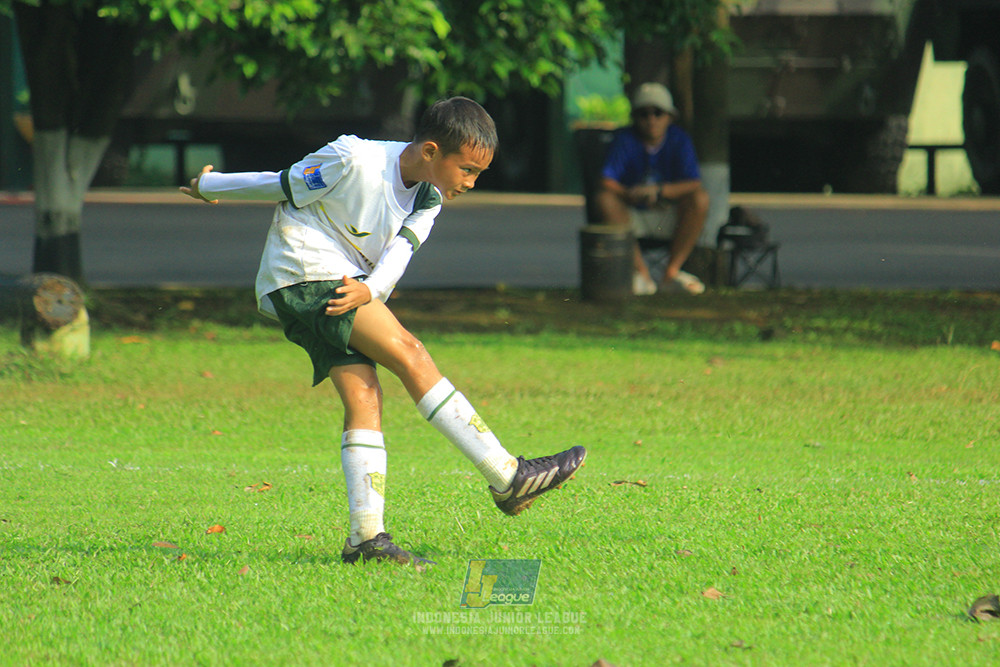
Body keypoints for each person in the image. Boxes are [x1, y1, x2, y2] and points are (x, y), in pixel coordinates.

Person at [180, 97, 587, 567]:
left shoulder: (429, 197)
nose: (472, 183)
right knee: (409, 351)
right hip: (302, 272)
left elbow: (399, 255)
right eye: (468, 170)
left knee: (365, 394)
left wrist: (370, 290)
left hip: (344, 286)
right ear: (432, 151)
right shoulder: (353, 159)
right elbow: (281, 184)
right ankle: (506, 475)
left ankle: (366, 538)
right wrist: (210, 185)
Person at [595, 82, 710, 295]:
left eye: (658, 113)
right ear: (635, 117)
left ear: (669, 116)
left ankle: (672, 273)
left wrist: (659, 191)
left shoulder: (679, 139)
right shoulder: (624, 139)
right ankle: (641, 274)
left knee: (700, 199)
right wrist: (629, 193)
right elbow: (607, 180)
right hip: (632, 214)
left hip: (669, 213)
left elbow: (694, 183)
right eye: (643, 114)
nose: (651, 120)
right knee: (605, 199)